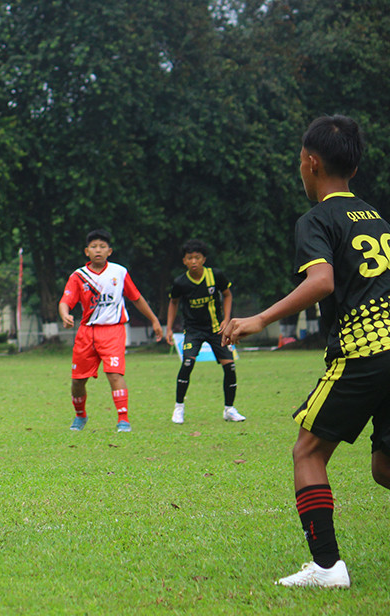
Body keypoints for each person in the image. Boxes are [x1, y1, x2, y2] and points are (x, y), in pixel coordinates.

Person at [222, 115, 390, 588]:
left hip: (366, 349)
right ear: (353, 169)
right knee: (383, 468)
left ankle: (327, 567)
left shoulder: (317, 219)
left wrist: (259, 319)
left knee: (308, 451)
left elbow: (322, 282)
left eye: (300, 162)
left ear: (311, 163)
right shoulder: (377, 217)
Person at [58, 229, 164, 432]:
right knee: (78, 380)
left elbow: (136, 298)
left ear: (110, 251)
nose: (98, 250)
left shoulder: (119, 272)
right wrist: (65, 314)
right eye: (94, 247)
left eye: (103, 246)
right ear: (86, 251)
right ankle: (80, 416)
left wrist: (154, 320)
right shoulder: (78, 276)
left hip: (113, 331)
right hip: (86, 333)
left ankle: (123, 419)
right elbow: (65, 300)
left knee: (115, 374)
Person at [165, 239, 246, 424]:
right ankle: (179, 408)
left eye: (197, 257)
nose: (194, 261)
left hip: (216, 329)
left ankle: (229, 409)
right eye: (189, 258)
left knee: (230, 366)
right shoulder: (181, 282)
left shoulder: (215, 275)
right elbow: (173, 302)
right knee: (187, 363)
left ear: (204, 259)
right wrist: (169, 328)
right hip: (193, 330)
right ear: (184, 261)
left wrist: (226, 319)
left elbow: (227, 294)